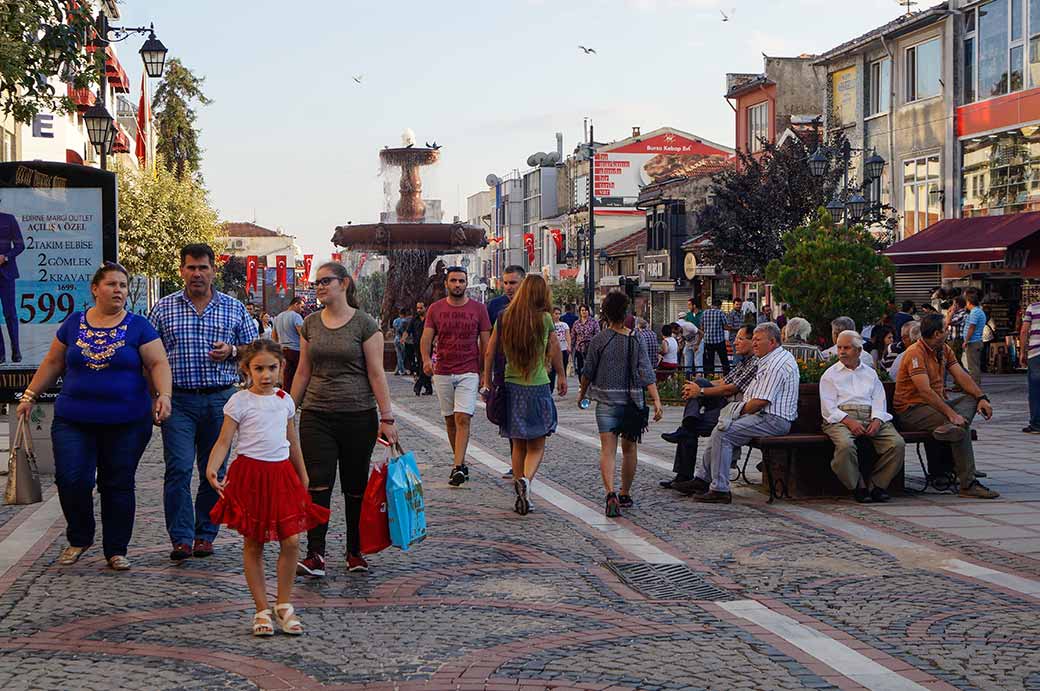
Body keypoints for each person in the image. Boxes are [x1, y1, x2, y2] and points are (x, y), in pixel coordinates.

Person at [17, 262, 172, 570]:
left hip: (127, 421)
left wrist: (164, 395)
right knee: (71, 479)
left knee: (117, 483)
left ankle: (116, 549)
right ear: (95, 289)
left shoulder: (139, 326)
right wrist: (30, 395)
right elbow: (53, 362)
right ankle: (80, 536)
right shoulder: (73, 323)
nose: (118, 290)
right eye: (112, 284)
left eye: (123, 285)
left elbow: (158, 363)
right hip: (74, 419)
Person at [207, 340, 329, 636]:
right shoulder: (239, 402)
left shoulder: (285, 401)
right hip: (250, 476)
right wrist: (212, 467)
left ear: (281, 368)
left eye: (271, 368)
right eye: (258, 368)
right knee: (254, 542)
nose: (265, 375)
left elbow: (292, 440)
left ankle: (283, 604)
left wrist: (302, 474)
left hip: (281, 474)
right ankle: (261, 609)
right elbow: (224, 440)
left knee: (292, 540)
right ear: (246, 369)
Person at [150, 244, 259, 562]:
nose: (197, 273)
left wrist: (233, 351)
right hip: (178, 401)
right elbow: (149, 355)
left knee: (214, 470)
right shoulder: (163, 308)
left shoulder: (233, 307)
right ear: (181, 271)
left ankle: (205, 535)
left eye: (203, 267)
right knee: (178, 469)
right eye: (191, 267)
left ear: (213, 270)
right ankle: (181, 538)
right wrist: (154, 396)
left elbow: (255, 348)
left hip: (220, 400)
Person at [290, 262, 397, 577]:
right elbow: (303, 371)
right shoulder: (310, 324)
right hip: (316, 414)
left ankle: (355, 551)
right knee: (318, 483)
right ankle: (315, 554)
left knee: (355, 486)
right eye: (317, 283)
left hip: (357, 415)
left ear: (345, 283)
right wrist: (286, 410)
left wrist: (387, 417)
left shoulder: (365, 324)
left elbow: (376, 373)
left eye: (326, 281)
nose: (320, 287)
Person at [483, 275, 565, 515]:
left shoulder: (504, 317)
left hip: (512, 386)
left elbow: (489, 352)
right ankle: (526, 481)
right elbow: (555, 349)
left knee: (518, 443)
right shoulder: (545, 318)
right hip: (538, 386)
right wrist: (561, 375)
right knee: (537, 444)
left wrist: (487, 381)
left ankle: (520, 488)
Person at [690, 323, 799, 504]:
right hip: (763, 415)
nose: (754, 344)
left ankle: (720, 489)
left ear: (772, 342)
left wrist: (736, 412)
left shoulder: (776, 364)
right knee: (720, 428)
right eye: (753, 339)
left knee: (723, 433)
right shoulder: (769, 359)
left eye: (758, 340)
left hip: (773, 419)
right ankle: (702, 479)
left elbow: (760, 402)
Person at [893, 313, 999, 499]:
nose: (948, 331)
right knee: (960, 427)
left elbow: (961, 375)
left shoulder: (944, 349)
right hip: (912, 409)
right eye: (946, 329)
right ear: (937, 334)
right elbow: (925, 391)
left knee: (971, 401)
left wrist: (982, 397)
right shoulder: (915, 352)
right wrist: (952, 415)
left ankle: (949, 428)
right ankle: (968, 484)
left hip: (936, 406)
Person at [577, 291, 662, 517]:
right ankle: (625, 493)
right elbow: (646, 371)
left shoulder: (599, 340)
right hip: (632, 403)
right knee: (630, 449)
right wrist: (656, 400)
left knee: (608, 450)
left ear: (605, 313)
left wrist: (582, 394)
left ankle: (610, 493)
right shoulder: (636, 338)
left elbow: (587, 371)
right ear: (626, 313)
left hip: (606, 403)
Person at [659, 325, 758, 493]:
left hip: (736, 411)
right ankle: (689, 422)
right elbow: (724, 381)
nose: (735, 343)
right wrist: (697, 388)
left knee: (689, 428)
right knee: (699, 382)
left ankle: (685, 475)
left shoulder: (755, 362)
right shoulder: (743, 362)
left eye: (740, 339)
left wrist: (701, 391)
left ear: (752, 341)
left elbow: (731, 388)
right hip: (726, 403)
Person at [421, 265, 491, 487]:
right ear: (446, 284)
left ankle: (457, 466)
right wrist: (425, 359)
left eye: (461, 281)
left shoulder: (479, 309)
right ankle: (459, 461)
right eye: (453, 280)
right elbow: (426, 337)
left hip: (469, 370)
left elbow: (486, 343)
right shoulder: (435, 309)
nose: (457, 284)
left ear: (466, 283)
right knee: (450, 419)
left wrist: (485, 372)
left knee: (463, 417)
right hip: (442, 370)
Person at [820, 331, 905, 503]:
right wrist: (849, 421)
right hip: (841, 418)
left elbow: (879, 399)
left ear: (859, 350)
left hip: (870, 415)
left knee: (897, 444)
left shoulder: (870, 373)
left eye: (847, 348)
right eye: (839, 347)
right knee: (845, 446)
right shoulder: (830, 374)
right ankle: (858, 485)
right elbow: (829, 409)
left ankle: (877, 485)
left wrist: (877, 419)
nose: (842, 352)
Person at [0, 207, 25, 362]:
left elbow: (20, 245)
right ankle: (0, 354)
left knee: (10, 314)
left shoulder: (8, 219)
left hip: (7, 274)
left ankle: (16, 350)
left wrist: (6, 257)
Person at [272, 296, 305, 394]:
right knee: (299, 378)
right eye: (301, 307)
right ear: (296, 304)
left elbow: (273, 336)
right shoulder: (296, 316)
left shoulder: (278, 317)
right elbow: (303, 334)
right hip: (296, 351)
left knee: (287, 379)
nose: (302, 310)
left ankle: (286, 397)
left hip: (283, 350)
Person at [1020, 298, 1040, 434]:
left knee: (1035, 390)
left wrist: (1022, 352)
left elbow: (1024, 331)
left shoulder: (1033, 307)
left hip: (1035, 354)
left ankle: (1037, 424)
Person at [961, 288, 986, 385]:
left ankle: (975, 386)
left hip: (973, 342)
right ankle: (975, 385)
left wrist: (966, 340)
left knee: (972, 367)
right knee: (974, 365)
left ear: (969, 302)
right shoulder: (978, 311)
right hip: (976, 341)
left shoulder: (975, 312)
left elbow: (972, 327)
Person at [700, 298, 730, 377]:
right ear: (719, 306)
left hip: (708, 340)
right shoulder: (720, 313)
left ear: (712, 305)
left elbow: (701, 327)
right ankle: (727, 376)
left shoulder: (704, 313)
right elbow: (726, 326)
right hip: (719, 340)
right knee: (724, 360)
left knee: (710, 361)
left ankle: (710, 377)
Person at [410, 301, 432, 395]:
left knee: (424, 365)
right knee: (421, 366)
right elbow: (408, 330)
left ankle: (418, 385)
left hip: (428, 346)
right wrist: (403, 338)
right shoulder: (414, 320)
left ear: (425, 308)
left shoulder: (430, 319)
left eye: (420, 308)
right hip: (417, 346)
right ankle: (428, 388)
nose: (419, 310)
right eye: (417, 308)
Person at [571, 304, 599, 378]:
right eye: (582, 310)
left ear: (588, 311)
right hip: (579, 348)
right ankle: (581, 382)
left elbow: (597, 335)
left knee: (590, 367)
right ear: (580, 312)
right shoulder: (576, 323)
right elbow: (573, 336)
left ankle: (590, 381)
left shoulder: (594, 322)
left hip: (590, 348)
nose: (584, 312)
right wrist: (571, 348)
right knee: (580, 367)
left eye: (586, 310)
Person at [548, 306, 571, 393]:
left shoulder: (564, 325)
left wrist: (569, 346)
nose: (557, 315)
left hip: (563, 349)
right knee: (552, 372)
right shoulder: (550, 324)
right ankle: (551, 388)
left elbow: (567, 335)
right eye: (556, 314)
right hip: (552, 351)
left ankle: (562, 386)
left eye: (559, 314)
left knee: (563, 369)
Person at [391, 308, 409, 376]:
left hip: (396, 339)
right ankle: (402, 370)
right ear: (405, 314)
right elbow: (405, 331)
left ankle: (397, 370)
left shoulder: (395, 321)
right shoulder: (405, 321)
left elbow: (394, 330)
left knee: (399, 355)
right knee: (402, 356)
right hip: (402, 339)